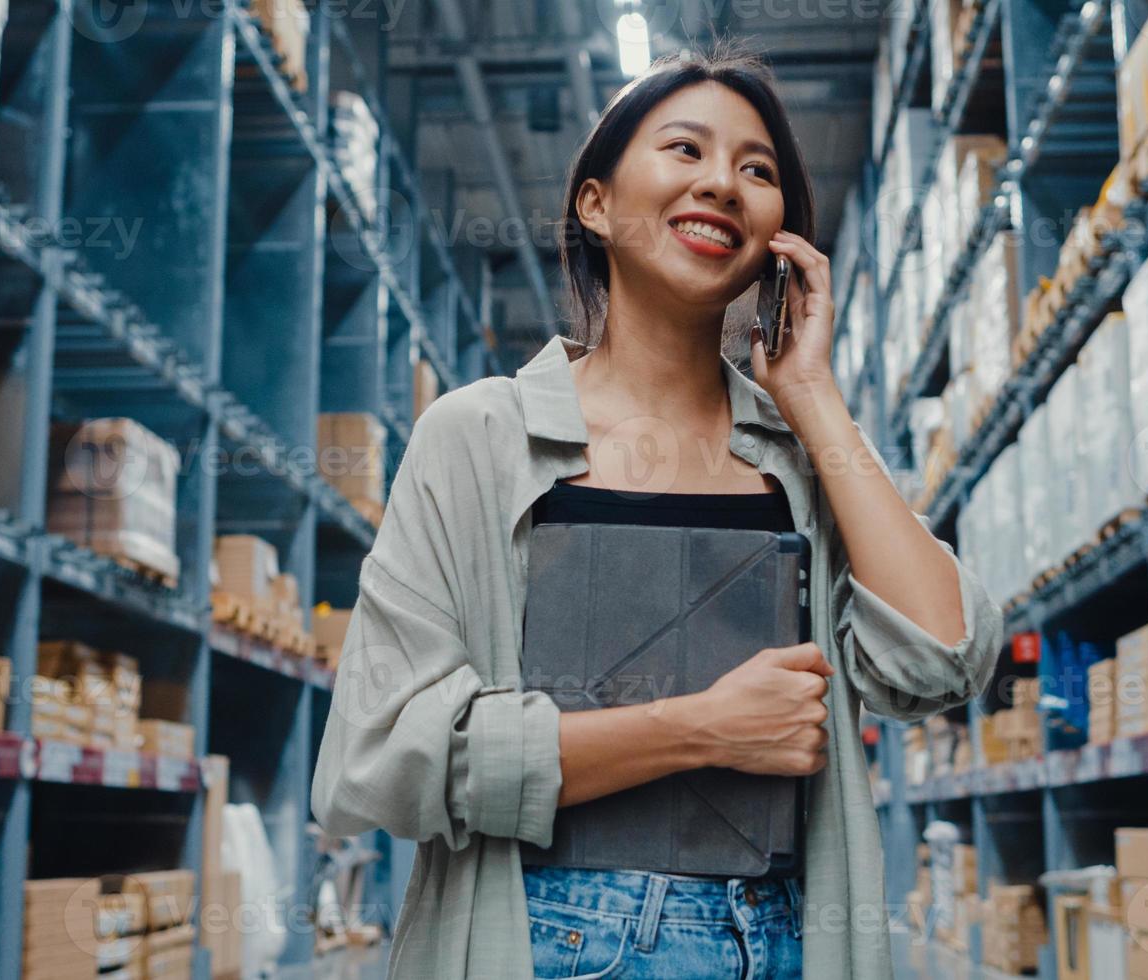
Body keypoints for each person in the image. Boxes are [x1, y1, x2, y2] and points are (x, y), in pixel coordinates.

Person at [310, 42, 1003, 979]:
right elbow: (377, 758)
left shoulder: (802, 460)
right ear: (594, 204)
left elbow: (944, 657)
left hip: (783, 940)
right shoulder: (477, 438)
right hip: (549, 939)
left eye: (757, 171)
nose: (722, 183)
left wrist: (816, 399)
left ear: (778, 236)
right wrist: (703, 729)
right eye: (686, 150)